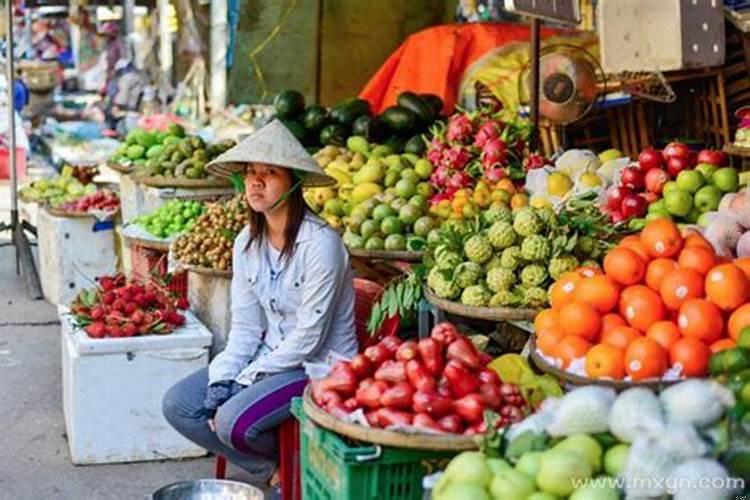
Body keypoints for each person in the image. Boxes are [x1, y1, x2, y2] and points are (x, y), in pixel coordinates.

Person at [162, 120, 358, 486]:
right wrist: (224, 378)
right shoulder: (245, 243)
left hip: (315, 366)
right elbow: (247, 329)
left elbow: (308, 340)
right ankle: (274, 469)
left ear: (294, 181)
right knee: (180, 406)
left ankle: (297, 462)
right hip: (268, 356)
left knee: (231, 421)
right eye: (251, 172)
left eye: (270, 172)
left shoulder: (321, 244)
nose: (256, 181)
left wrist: (245, 381)